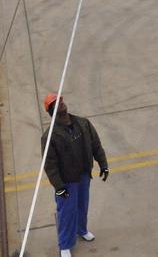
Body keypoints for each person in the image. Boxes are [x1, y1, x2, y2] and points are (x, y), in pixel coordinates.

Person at [42, 94, 109, 256]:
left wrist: (103, 164)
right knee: (66, 212)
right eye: (56, 103)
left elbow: (96, 145)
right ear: (51, 111)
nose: (61, 103)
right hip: (66, 181)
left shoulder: (83, 123)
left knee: (82, 205)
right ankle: (65, 244)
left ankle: (81, 230)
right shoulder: (49, 137)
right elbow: (50, 166)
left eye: (61, 100)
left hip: (84, 175)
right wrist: (59, 187)